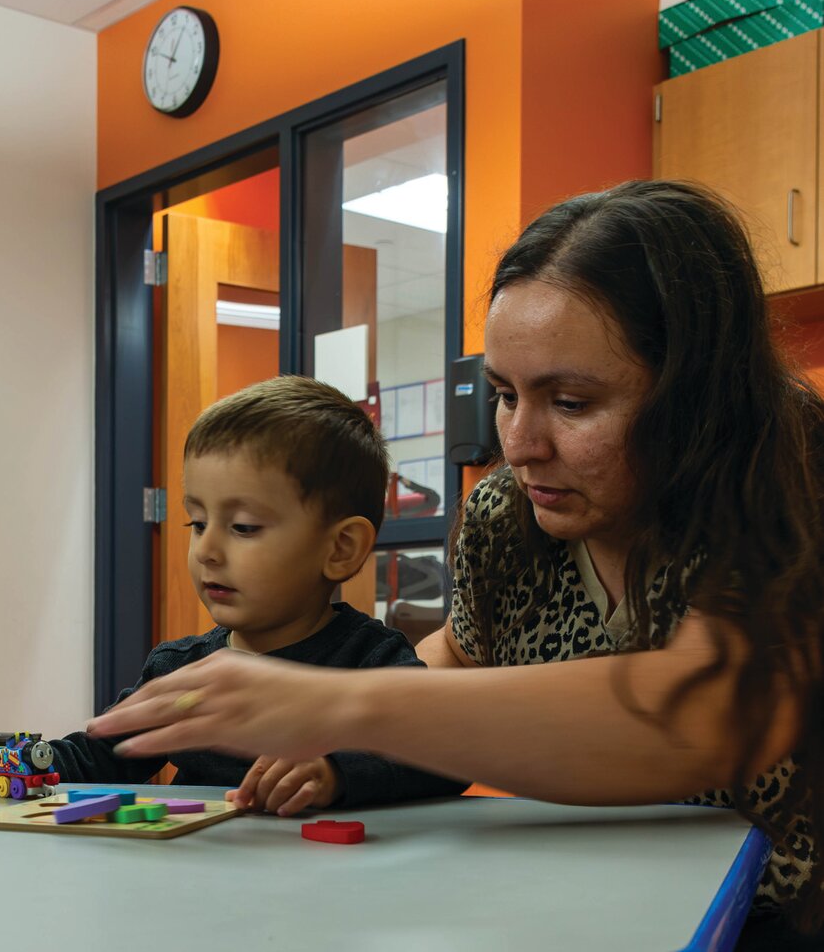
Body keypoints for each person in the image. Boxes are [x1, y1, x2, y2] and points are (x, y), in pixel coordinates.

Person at [86, 181, 824, 943]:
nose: (520, 442)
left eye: (571, 402)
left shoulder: (789, 471)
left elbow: (709, 712)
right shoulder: (508, 515)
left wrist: (336, 704)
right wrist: (334, 750)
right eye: (505, 394)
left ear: (694, 396)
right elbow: (459, 660)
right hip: (602, 894)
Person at [0, 376, 466, 813]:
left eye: (242, 527)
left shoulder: (373, 661)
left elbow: (442, 756)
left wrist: (336, 773)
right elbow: (91, 754)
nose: (208, 550)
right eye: (197, 523)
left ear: (340, 549)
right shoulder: (182, 668)